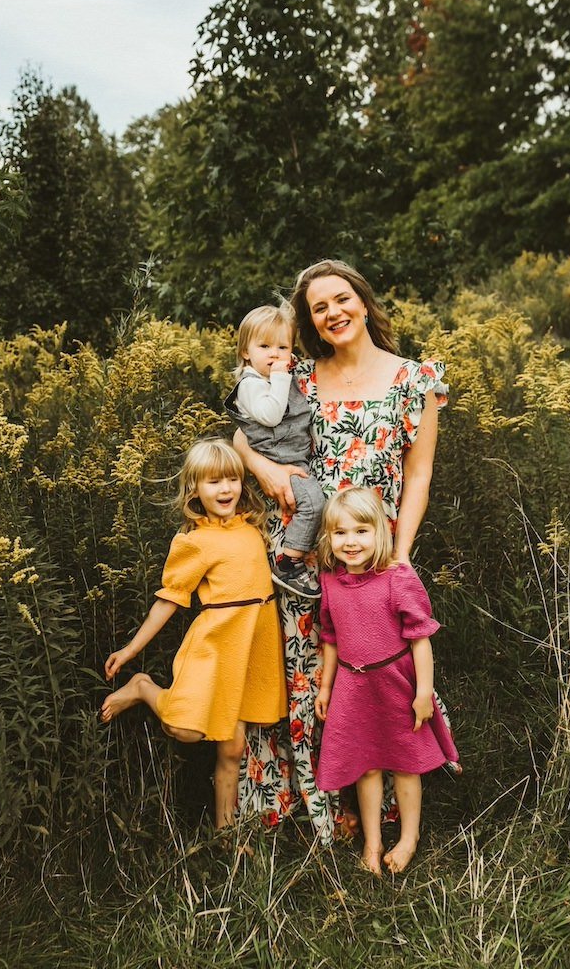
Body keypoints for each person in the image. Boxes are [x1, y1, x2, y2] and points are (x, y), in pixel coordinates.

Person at [234, 259, 455, 842]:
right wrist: (265, 470)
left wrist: (399, 553)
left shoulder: (416, 381)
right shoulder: (298, 378)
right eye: (318, 308)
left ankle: (382, 813)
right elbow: (239, 432)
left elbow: (421, 477)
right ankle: (313, 807)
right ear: (310, 322)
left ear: (363, 300)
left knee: (377, 679)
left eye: (341, 299)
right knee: (309, 678)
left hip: (370, 560)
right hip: (302, 556)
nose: (333, 313)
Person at [100, 438, 287, 831]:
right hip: (217, 646)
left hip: (252, 646)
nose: (226, 489)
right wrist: (132, 649)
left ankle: (225, 831)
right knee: (183, 728)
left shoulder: (252, 526)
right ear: (195, 490)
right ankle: (142, 688)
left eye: (233, 479)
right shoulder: (195, 541)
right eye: (214, 482)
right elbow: (169, 600)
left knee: (233, 747)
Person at [314, 488, 459, 875]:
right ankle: (373, 844)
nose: (351, 542)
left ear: (380, 532)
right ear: (329, 538)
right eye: (340, 533)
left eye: (361, 531)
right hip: (353, 685)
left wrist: (423, 692)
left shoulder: (396, 577)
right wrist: (327, 687)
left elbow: (420, 637)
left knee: (405, 763)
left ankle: (408, 838)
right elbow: (330, 638)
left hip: (396, 682)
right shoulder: (330, 581)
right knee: (367, 766)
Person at [224, 303, 324, 600]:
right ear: (246, 352)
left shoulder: (271, 377)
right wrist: (281, 377)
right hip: (281, 460)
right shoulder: (251, 385)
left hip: (292, 458)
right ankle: (289, 562)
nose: (274, 354)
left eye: (282, 346)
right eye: (264, 346)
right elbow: (270, 415)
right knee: (313, 503)